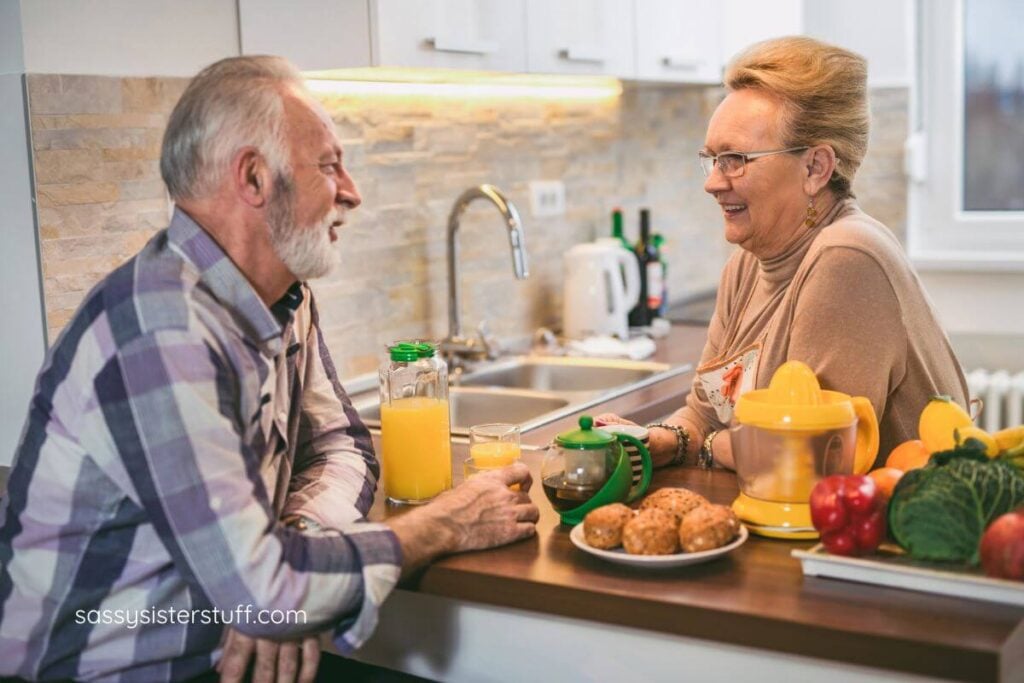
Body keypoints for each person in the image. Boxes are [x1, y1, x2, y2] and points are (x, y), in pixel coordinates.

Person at [0, 56, 539, 682]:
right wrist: (443, 524)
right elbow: (267, 595)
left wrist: (297, 550)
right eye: (329, 165)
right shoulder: (159, 331)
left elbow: (341, 445)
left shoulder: (282, 295)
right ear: (255, 178)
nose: (353, 191)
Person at [600, 36, 968, 471]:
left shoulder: (847, 257)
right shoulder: (747, 265)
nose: (713, 182)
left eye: (735, 159)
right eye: (712, 159)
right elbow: (705, 411)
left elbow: (810, 457)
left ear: (816, 168)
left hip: (888, 532)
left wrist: (703, 446)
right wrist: (661, 439)